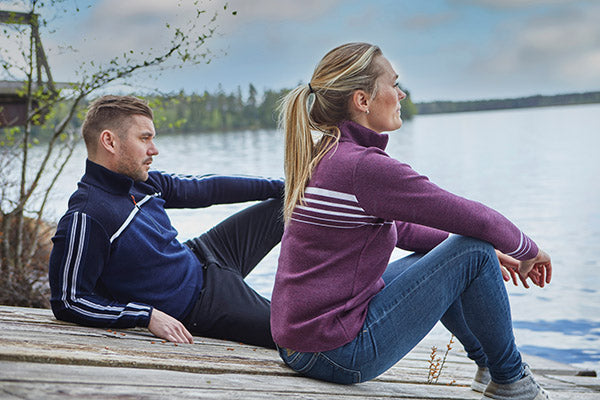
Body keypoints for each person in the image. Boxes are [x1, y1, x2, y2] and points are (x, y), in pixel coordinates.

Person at [271, 42, 552, 400]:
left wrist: (468, 262)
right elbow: (472, 216)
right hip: (337, 353)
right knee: (474, 249)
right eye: (394, 84)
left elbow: (399, 228)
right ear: (363, 100)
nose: (400, 93)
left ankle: (487, 367)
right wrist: (528, 249)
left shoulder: (327, 153)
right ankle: (512, 381)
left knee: (454, 254)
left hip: (299, 345)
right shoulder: (363, 166)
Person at [48, 95, 283, 349]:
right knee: (296, 334)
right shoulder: (87, 215)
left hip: (207, 253)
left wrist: (285, 186)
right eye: (144, 138)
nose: (154, 149)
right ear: (110, 141)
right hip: (204, 305)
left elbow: (207, 188)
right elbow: (69, 301)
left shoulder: (144, 182)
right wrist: (146, 315)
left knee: (294, 201)